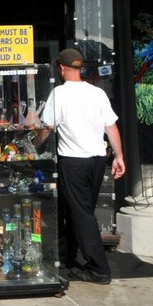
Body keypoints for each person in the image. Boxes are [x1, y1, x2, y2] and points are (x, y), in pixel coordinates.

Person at [39, 48, 125, 285]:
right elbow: (112, 127)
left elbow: (47, 128)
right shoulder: (97, 93)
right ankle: (67, 255)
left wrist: (34, 144)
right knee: (75, 209)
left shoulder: (59, 93)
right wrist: (118, 156)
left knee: (81, 214)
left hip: (73, 162)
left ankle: (99, 269)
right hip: (97, 161)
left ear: (61, 68)